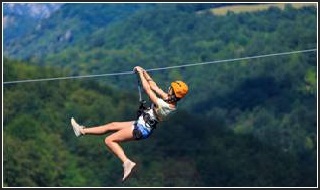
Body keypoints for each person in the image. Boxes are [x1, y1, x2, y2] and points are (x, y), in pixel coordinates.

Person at [70, 66, 189, 181]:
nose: (168, 88)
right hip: (142, 123)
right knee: (112, 125)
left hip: (142, 129)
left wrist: (140, 74)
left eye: (171, 88)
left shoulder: (165, 106)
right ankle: (82, 131)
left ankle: (127, 162)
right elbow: (154, 86)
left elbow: (147, 89)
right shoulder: (169, 99)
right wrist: (143, 71)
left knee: (109, 140)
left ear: (173, 94)